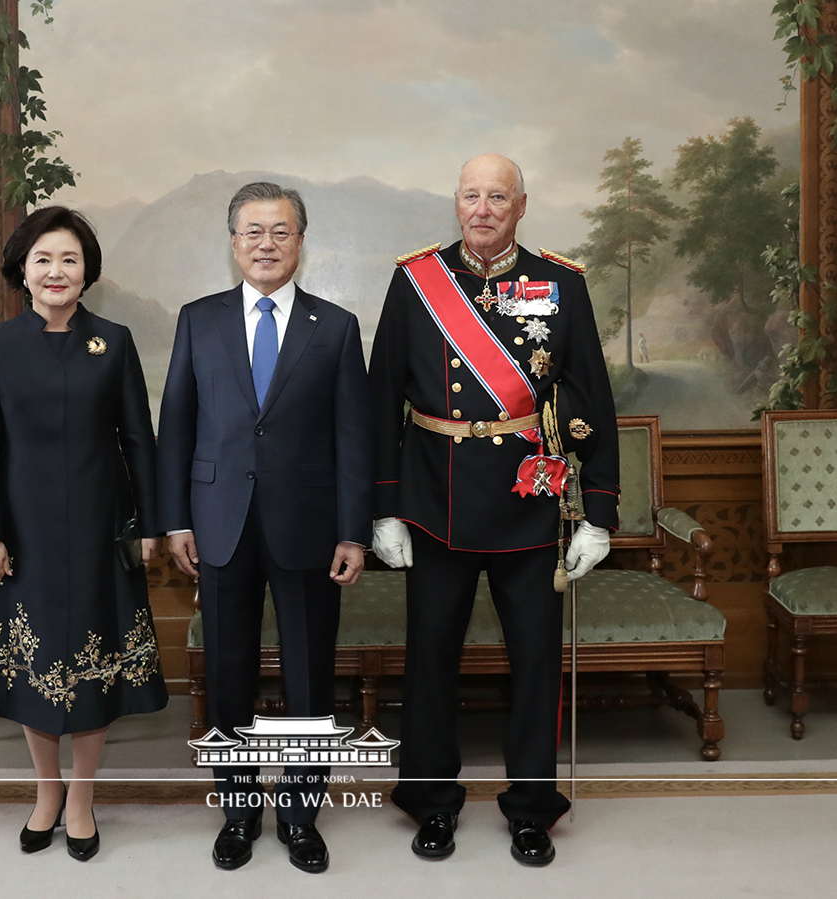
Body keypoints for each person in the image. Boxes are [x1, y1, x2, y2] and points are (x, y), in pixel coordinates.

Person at [368, 154, 619, 867]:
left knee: (536, 662)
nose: (483, 208)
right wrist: (384, 508)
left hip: (528, 501)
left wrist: (598, 511)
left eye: (498, 196)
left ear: (521, 205)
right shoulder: (417, 280)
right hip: (434, 499)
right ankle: (431, 802)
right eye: (472, 195)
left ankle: (533, 808)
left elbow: (593, 398)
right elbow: (381, 397)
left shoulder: (562, 283)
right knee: (430, 660)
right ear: (456, 204)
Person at [157, 182, 373, 874]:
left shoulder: (335, 328)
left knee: (311, 677)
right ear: (233, 243)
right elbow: (177, 430)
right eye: (253, 232)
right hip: (219, 523)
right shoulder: (200, 320)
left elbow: (353, 439)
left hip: (310, 527)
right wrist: (174, 519)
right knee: (229, 674)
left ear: (301, 242)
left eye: (281, 231)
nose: (266, 244)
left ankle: (301, 815)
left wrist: (352, 530)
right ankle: (238, 810)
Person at [0, 205, 168, 862]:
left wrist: (151, 527)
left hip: (101, 531)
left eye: (69, 259)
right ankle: (45, 792)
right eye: (44, 258)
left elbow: (139, 441)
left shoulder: (115, 341)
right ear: (23, 268)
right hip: (20, 537)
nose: (57, 270)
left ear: (86, 272)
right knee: (33, 669)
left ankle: (81, 796)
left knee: (93, 667)